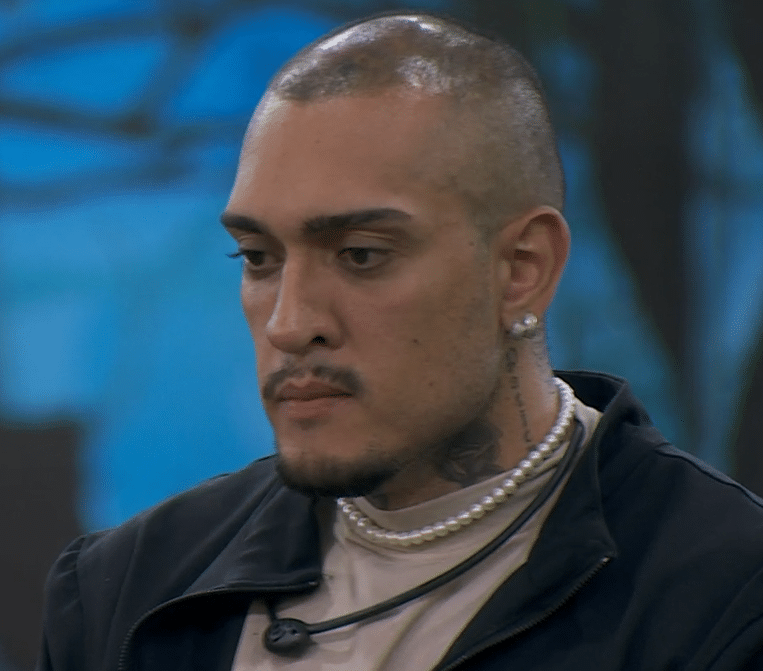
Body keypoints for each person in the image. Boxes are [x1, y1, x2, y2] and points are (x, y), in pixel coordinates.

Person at [37, 12, 763, 671]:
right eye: (258, 258)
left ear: (522, 269)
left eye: (360, 254)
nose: (289, 323)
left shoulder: (725, 595)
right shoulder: (123, 589)